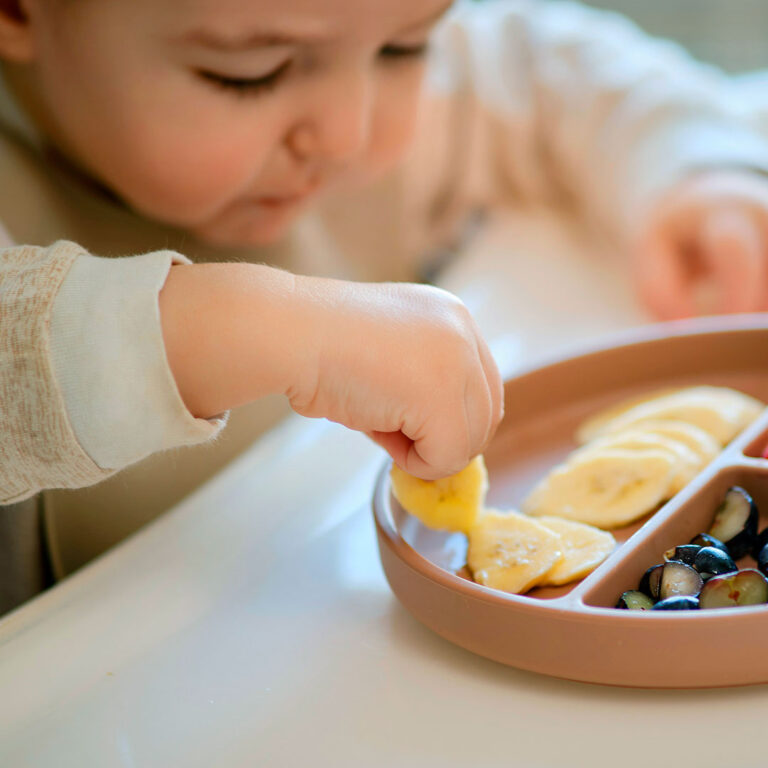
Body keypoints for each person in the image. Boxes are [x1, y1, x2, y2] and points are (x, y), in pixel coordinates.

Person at [2, 0, 768, 613]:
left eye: (405, 49)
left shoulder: (346, 42)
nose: (348, 133)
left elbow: (538, 65)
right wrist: (243, 326)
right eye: (250, 73)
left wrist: (692, 170)